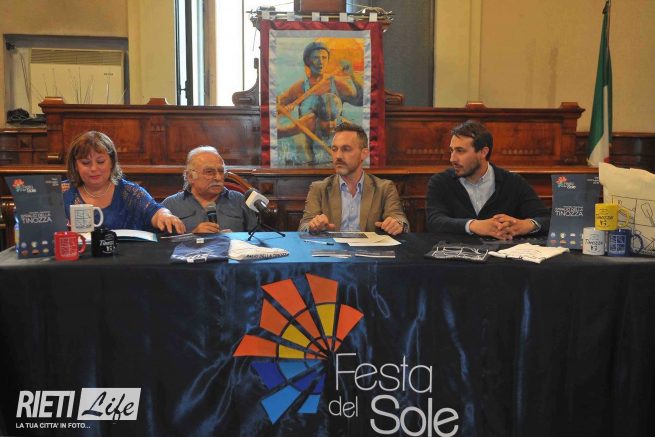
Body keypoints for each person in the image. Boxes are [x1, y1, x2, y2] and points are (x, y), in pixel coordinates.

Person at [426, 120, 550, 239]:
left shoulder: (513, 182)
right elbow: (434, 221)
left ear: (483, 152)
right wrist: (473, 226)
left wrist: (525, 226)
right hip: (455, 252)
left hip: (502, 252)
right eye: (451, 151)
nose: (452, 159)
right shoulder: (440, 182)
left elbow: (546, 219)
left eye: (460, 151)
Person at [63, 131, 185, 233]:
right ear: (75, 165)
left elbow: (155, 210)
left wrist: (165, 215)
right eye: (85, 163)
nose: (94, 168)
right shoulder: (61, 192)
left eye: (100, 162)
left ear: (112, 162)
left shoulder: (129, 191)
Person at [298, 123, 409, 235]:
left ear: (364, 154)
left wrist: (397, 224)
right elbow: (303, 227)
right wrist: (313, 226)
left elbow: (399, 218)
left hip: (369, 246)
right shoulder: (319, 188)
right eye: (334, 149)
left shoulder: (384, 188)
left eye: (346, 149)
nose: (338, 156)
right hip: (332, 246)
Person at [276, 41, 363, 165]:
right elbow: (277, 107)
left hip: (336, 152)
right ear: (307, 61)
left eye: (324, 57)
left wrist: (352, 75)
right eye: (316, 58)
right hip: (307, 153)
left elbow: (360, 101)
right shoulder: (300, 88)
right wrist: (281, 107)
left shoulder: (336, 84)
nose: (320, 62)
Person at [162, 146, 257, 233]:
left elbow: (257, 237)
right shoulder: (170, 205)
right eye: (209, 172)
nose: (218, 178)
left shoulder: (239, 200)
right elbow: (161, 242)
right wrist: (192, 237)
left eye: (221, 171)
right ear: (190, 176)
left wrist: (234, 238)